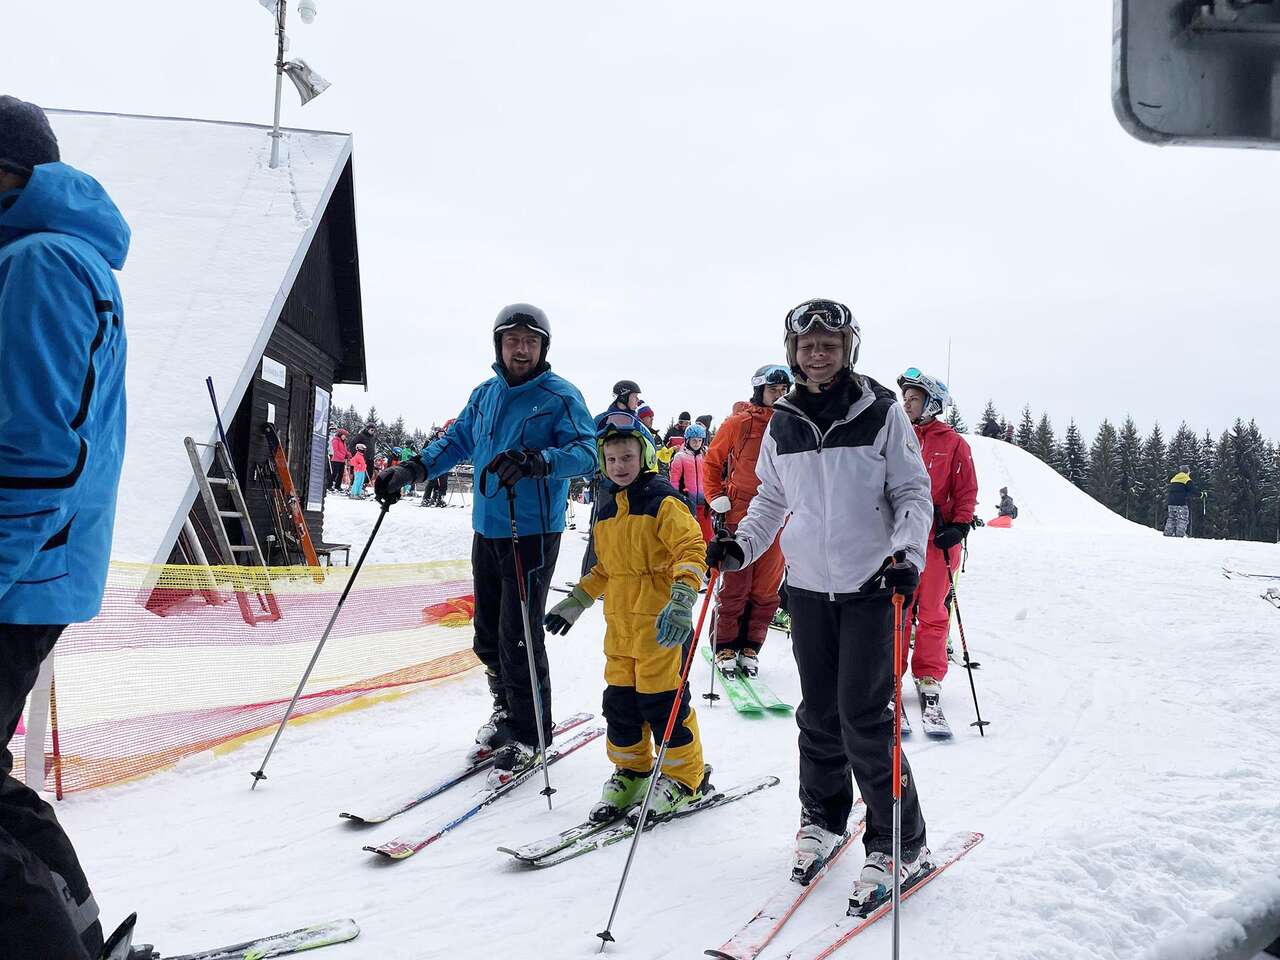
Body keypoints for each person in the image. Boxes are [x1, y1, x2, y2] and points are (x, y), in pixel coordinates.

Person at [706, 298, 932, 915]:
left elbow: (913, 491)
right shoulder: (783, 421)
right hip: (807, 588)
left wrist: (907, 553)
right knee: (819, 713)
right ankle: (825, 816)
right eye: (807, 346)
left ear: (848, 348)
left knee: (864, 714)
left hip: (871, 585)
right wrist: (738, 549)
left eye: (829, 344)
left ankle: (900, 841)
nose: (817, 354)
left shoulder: (881, 412)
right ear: (792, 353)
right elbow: (770, 502)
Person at [0, 95, 130, 960]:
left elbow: (39, 448)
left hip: (18, 571)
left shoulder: (42, 261)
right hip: (32, 568)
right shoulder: (47, 254)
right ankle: (75, 934)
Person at [374, 304, 595, 783]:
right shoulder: (485, 394)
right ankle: (506, 709)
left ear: (543, 349)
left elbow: (585, 453)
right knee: (486, 635)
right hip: (489, 526)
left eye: (530, 342)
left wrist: (537, 460)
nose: (521, 349)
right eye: (512, 340)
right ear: (499, 345)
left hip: (532, 530)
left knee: (519, 633)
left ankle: (531, 731)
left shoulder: (559, 396)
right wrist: (411, 471)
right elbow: (454, 441)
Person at [545, 412, 709, 818]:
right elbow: (607, 568)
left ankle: (685, 779)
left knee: (662, 704)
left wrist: (682, 599)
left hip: (662, 626)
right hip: (620, 629)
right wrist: (578, 600)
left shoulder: (663, 501)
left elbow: (691, 551)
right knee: (619, 704)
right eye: (612, 459)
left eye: (628, 458)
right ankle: (632, 770)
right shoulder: (606, 510)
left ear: (645, 456)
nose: (620, 466)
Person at [897, 367, 977, 726]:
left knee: (932, 612)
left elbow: (966, 491)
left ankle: (929, 674)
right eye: (906, 398)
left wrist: (959, 525)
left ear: (932, 403)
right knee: (896, 609)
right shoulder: (897, 435)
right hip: (899, 538)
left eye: (914, 398)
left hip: (938, 542)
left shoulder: (954, 443)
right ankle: (888, 675)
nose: (907, 403)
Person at [702, 364, 793, 678]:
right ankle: (725, 643)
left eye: (784, 390)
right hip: (740, 513)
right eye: (773, 390)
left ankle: (751, 645)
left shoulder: (794, 423)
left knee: (767, 589)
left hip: (780, 517)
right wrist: (715, 496)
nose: (779, 396)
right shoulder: (740, 423)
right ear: (760, 390)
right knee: (736, 584)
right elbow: (712, 462)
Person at [670, 423, 712, 540]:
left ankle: (708, 556)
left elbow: (711, 476)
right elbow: (674, 481)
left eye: (699, 440)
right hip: (687, 502)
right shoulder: (680, 457)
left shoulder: (705, 456)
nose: (697, 443)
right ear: (687, 440)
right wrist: (676, 499)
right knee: (690, 534)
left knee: (707, 534)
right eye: (694, 440)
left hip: (704, 503)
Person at [1165, 467, 1195, 537]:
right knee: (1182, 518)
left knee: (1171, 518)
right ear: (1187, 472)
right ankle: (1180, 535)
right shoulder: (1186, 479)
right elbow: (1193, 490)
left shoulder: (1174, 479)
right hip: (1181, 502)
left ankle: (1168, 533)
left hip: (1171, 502)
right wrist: (1202, 494)